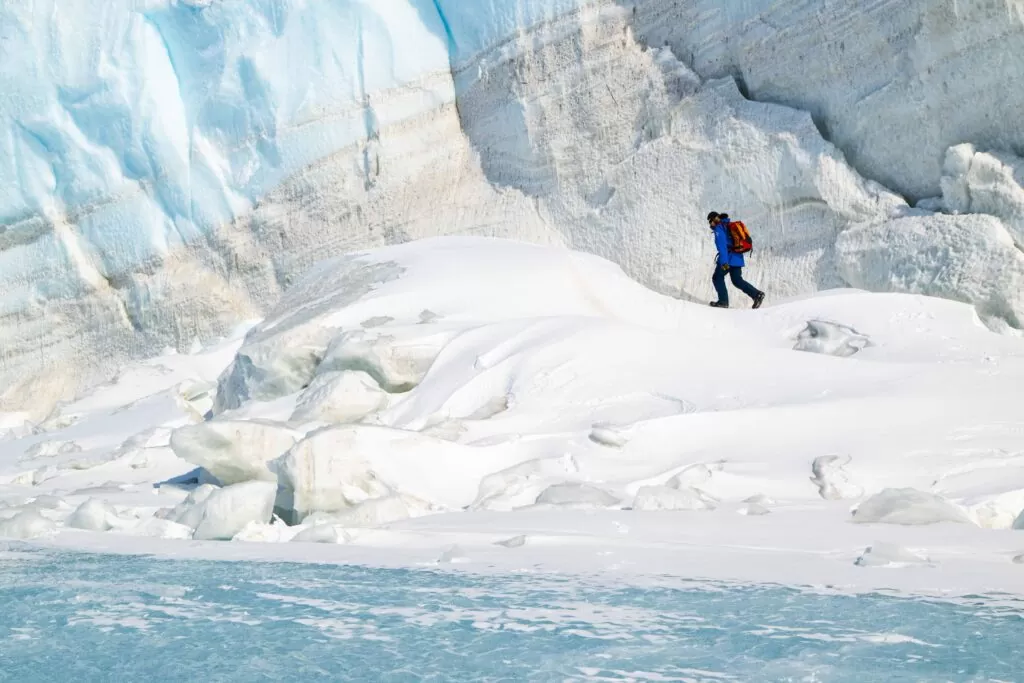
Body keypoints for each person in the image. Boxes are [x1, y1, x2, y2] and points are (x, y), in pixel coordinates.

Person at [707, 211, 765, 309]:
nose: (710, 224)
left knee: (717, 278)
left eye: (710, 221)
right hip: (737, 258)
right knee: (737, 280)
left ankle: (723, 301)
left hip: (728, 259)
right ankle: (757, 295)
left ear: (714, 219)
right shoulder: (727, 225)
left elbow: (722, 248)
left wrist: (724, 263)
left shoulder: (719, 229)